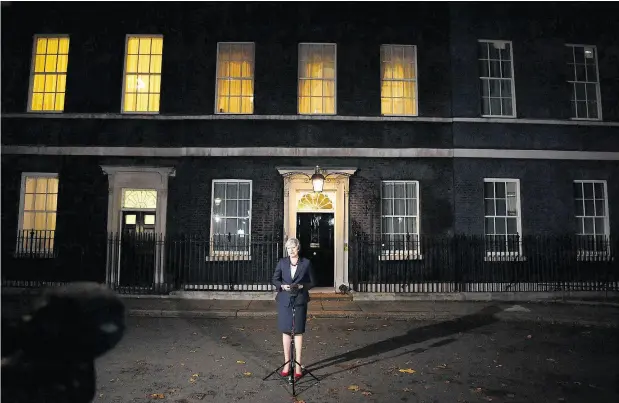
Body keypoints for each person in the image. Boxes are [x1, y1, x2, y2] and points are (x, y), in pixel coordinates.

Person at [271, 237, 316, 380]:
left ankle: (297, 365)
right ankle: (286, 363)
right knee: (285, 331)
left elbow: (313, 281)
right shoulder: (282, 262)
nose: (290, 251)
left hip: (300, 300)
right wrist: (281, 286)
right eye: (288, 248)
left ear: (298, 248)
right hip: (285, 300)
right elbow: (275, 279)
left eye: (293, 248)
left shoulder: (306, 263)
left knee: (297, 331)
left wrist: (303, 286)